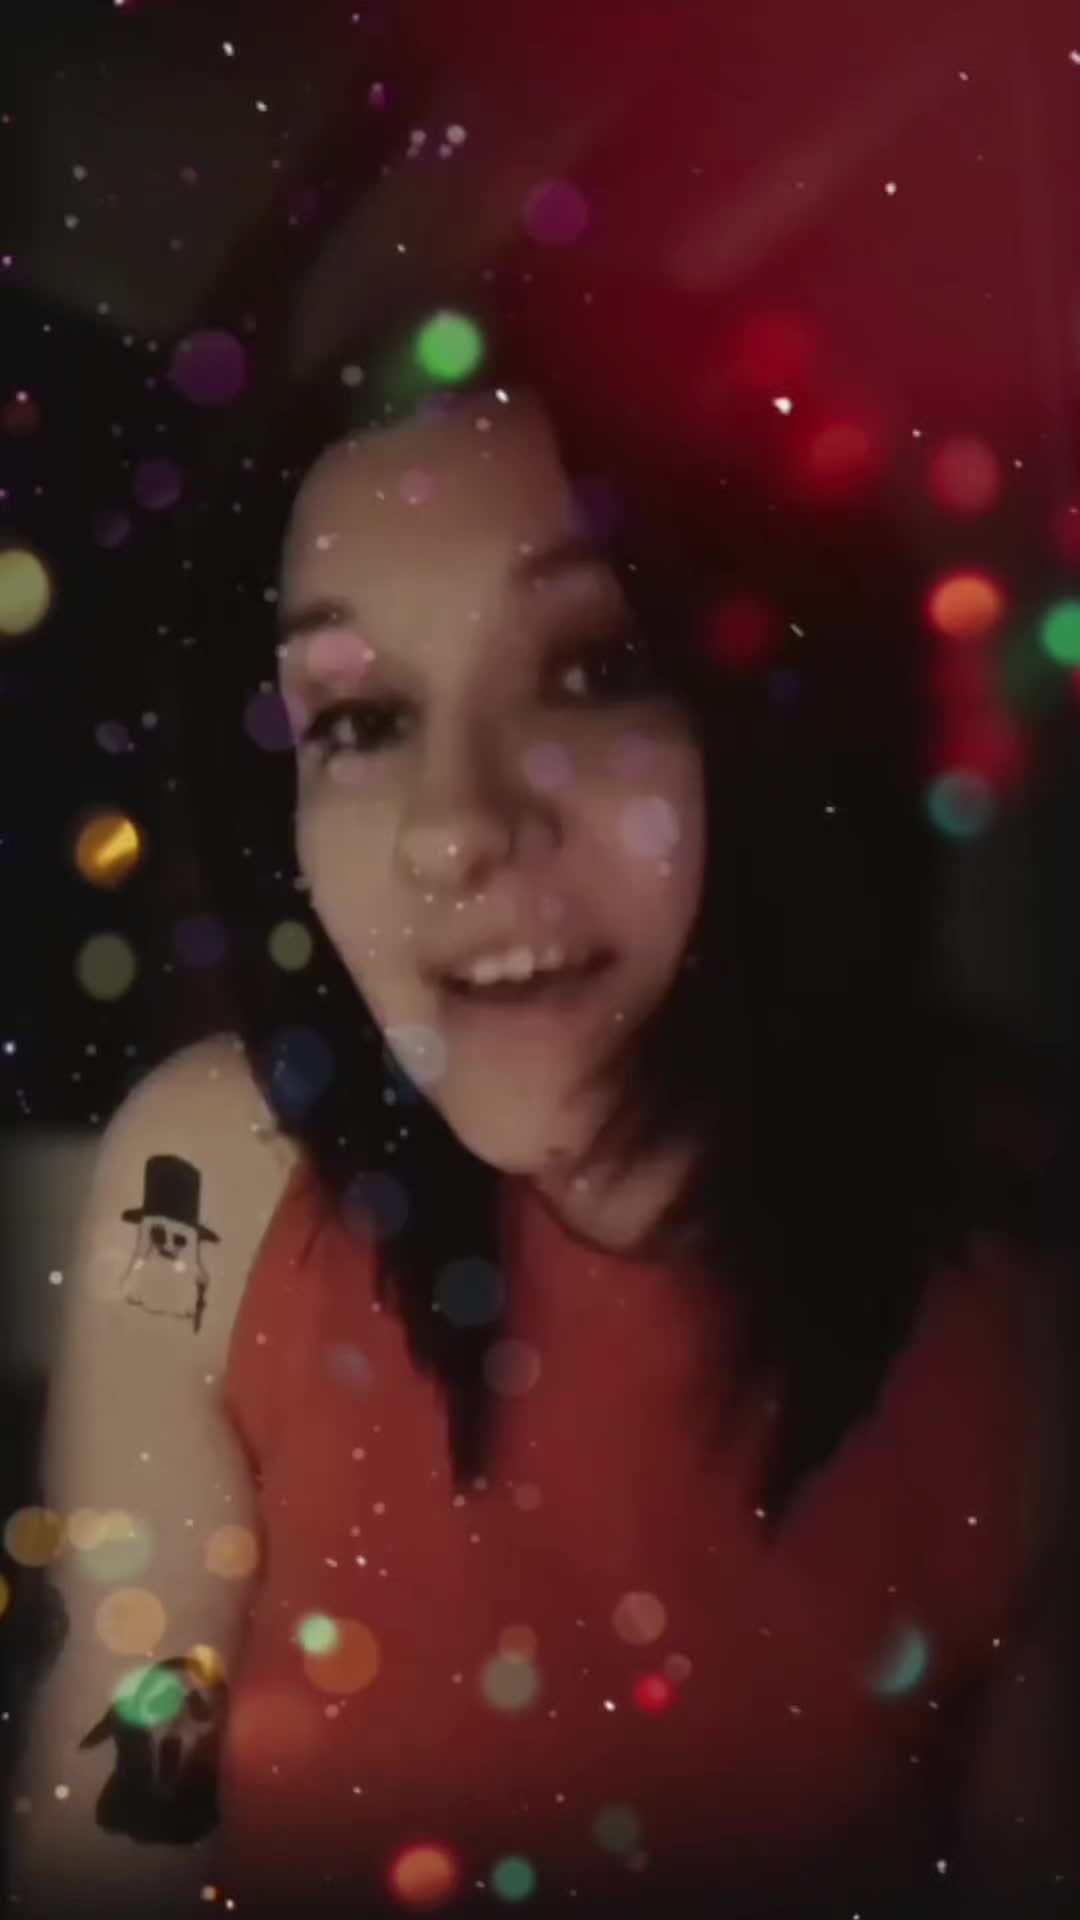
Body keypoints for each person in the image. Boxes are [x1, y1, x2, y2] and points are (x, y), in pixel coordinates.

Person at [11, 309, 1073, 1920]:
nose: (452, 830)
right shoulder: (210, 1171)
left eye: (593, 669)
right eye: (360, 720)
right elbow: (122, 1778)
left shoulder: (1029, 1285)